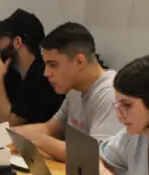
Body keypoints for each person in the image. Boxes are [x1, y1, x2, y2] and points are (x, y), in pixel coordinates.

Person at [12, 22, 120, 161]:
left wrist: (36, 139)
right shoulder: (74, 89)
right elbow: (50, 129)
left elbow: (94, 156)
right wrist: (5, 135)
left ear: (79, 62)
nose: (46, 73)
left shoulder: (111, 94)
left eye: (53, 65)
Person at [0, 9, 64, 124]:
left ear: (17, 42)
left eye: (1, 36)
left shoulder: (42, 76)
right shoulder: (14, 71)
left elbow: (8, 123)